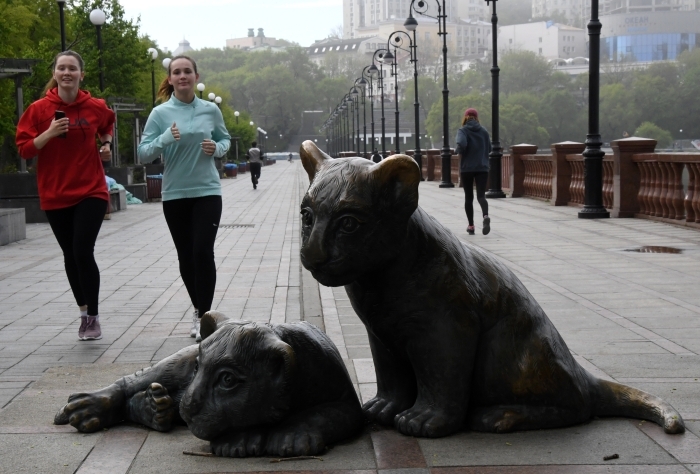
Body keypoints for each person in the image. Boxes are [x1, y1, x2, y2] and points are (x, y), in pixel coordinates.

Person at [15, 50, 115, 341]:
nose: (67, 72)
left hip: (91, 189)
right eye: (62, 68)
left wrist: (106, 143)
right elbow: (24, 148)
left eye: (72, 68)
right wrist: (48, 133)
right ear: (55, 74)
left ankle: (94, 317)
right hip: (55, 192)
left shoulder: (94, 106)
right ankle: (83, 313)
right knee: (70, 255)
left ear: (81, 75)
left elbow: (107, 123)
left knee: (83, 250)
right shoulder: (38, 110)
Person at [137, 55, 231, 342]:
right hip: (175, 194)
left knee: (203, 251)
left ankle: (205, 316)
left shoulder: (210, 110)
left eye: (187, 71)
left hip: (207, 192)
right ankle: (197, 308)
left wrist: (216, 147)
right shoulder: (160, 113)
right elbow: (143, 153)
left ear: (196, 76)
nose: (182, 76)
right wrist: (164, 138)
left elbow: (225, 141)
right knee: (186, 256)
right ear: (170, 79)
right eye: (176, 72)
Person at [455, 108, 491, 236]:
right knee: (481, 196)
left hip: (467, 168)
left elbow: (461, 143)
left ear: (465, 117)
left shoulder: (463, 130)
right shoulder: (484, 132)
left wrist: (458, 150)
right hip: (482, 167)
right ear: (476, 118)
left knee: (468, 197)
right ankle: (485, 216)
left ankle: (471, 226)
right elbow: (490, 148)